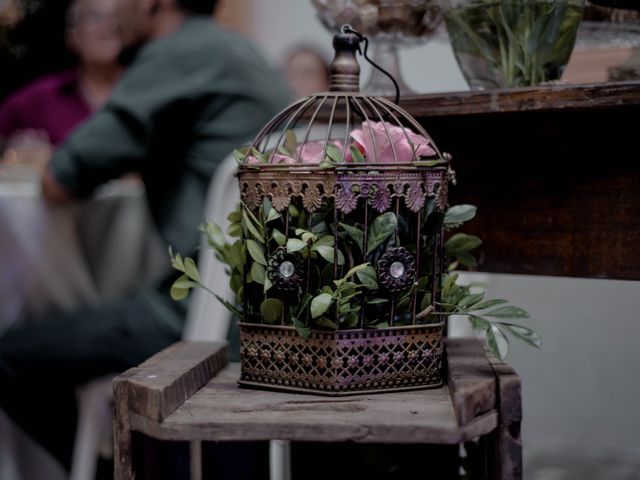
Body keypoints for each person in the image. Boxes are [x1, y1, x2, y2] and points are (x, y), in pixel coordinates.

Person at [0, 0, 290, 473]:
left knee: (9, 358)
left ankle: (102, 466)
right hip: (268, 299)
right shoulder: (240, 52)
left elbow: (58, 180)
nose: (113, 12)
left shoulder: (174, 54)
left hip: (206, 311)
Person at [0, 0, 123, 166]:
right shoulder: (39, 99)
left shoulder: (152, 95)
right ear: (72, 35)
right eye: (95, 16)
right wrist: (15, 153)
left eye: (119, 16)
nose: (109, 27)